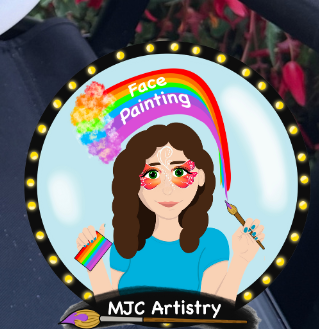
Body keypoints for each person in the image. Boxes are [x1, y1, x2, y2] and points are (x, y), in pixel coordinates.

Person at [77, 122, 264, 298]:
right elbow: (112, 311)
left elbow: (214, 312)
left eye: (180, 173)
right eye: (152, 175)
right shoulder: (125, 243)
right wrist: (93, 260)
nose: (167, 189)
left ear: (200, 177)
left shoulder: (213, 243)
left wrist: (241, 260)